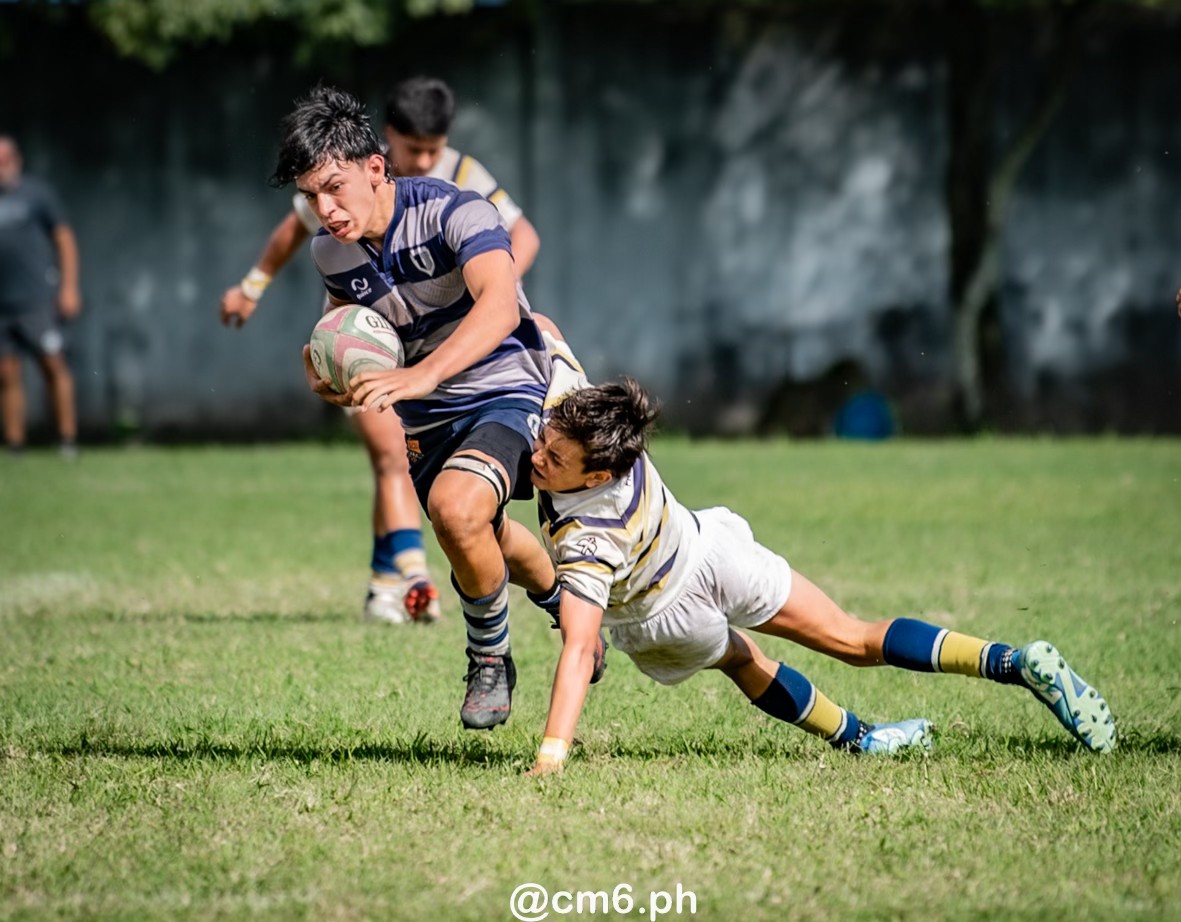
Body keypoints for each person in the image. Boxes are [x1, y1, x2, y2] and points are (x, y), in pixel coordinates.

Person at [525, 347, 1117, 774]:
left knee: (741, 659)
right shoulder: (576, 409)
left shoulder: (591, 536)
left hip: (664, 610)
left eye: (555, 455)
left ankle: (861, 739)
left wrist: (552, 755)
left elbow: (580, 647)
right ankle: (1013, 662)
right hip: (710, 548)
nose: (539, 454)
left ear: (600, 473)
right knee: (854, 638)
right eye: (546, 439)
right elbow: (541, 327)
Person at [272, 85, 600, 730]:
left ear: (375, 167)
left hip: (506, 383)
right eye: (312, 196)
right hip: (426, 412)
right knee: (478, 529)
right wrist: (327, 371)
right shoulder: (329, 251)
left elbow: (501, 308)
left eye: (335, 187)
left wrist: (420, 373)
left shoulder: (460, 212)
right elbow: (344, 329)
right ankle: (559, 598)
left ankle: (488, 658)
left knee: (456, 510)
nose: (325, 208)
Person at [220, 77, 541, 626]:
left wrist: (487, 284)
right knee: (395, 462)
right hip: (402, 363)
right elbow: (295, 241)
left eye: (433, 150)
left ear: (374, 167)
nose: (423, 160)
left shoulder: (460, 184)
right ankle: (399, 580)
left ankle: (406, 579)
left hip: (483, 368)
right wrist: (274, 306)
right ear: (390, 140)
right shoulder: (334, 204)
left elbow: (518, 247)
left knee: (475, 508)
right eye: (414, 148)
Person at [0, 135, 81, 458]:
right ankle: (15, 444)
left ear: (16, 160)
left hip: (36, 300)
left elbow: (64, 240)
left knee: (53, 364)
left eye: (4, 160)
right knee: (6, 373)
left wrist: (69, 287)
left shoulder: (37, 194)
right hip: (1, 305)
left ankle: (67, 440)